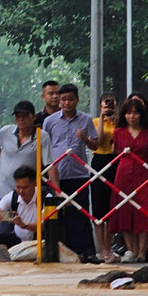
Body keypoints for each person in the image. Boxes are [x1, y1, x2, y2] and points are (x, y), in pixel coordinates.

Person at [43, 83, 98, 260]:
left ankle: (87, 253)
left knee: (80, 214)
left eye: (70, 99)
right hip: (57, 175)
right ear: (59, 101)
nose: (67, 103)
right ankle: (61, 252)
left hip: (78, 174)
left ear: (77, 100)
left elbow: (95, 144)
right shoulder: (49, 121)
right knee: (57, 216)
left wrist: (86, 139)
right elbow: (46, 147)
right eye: (63, 99)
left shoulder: (86, 120)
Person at [108, 95, 148, 262]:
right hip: (123, 173)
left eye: (136, 113)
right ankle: (130, 250)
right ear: (124, 114)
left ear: (142, 114)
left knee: (146, 210)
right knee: (125, 210)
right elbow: (114, 151)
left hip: (144, 173)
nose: (132, 116)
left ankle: (146, 251)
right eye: (128, 113)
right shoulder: (118, 132)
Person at [83, 93, 119, 263]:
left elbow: (117, 144)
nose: (109, 108)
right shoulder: (95, 122)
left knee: (112, 208)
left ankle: (109, 247)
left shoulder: (119, 123)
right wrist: (102, 118)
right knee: (98, 208)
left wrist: (116, 122)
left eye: (112, 105)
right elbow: (99, 140)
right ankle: (102, 248)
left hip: (114, 162)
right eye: (106, 105)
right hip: (98, 161)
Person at [0, 165, 41, 247]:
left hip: (39, 240)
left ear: (35, 184)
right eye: (18, 187)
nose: (21, 191)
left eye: (25, 188)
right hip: (18, 239)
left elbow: (44, 226)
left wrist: (23, 225)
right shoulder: (13, 196)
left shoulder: (45, 197)